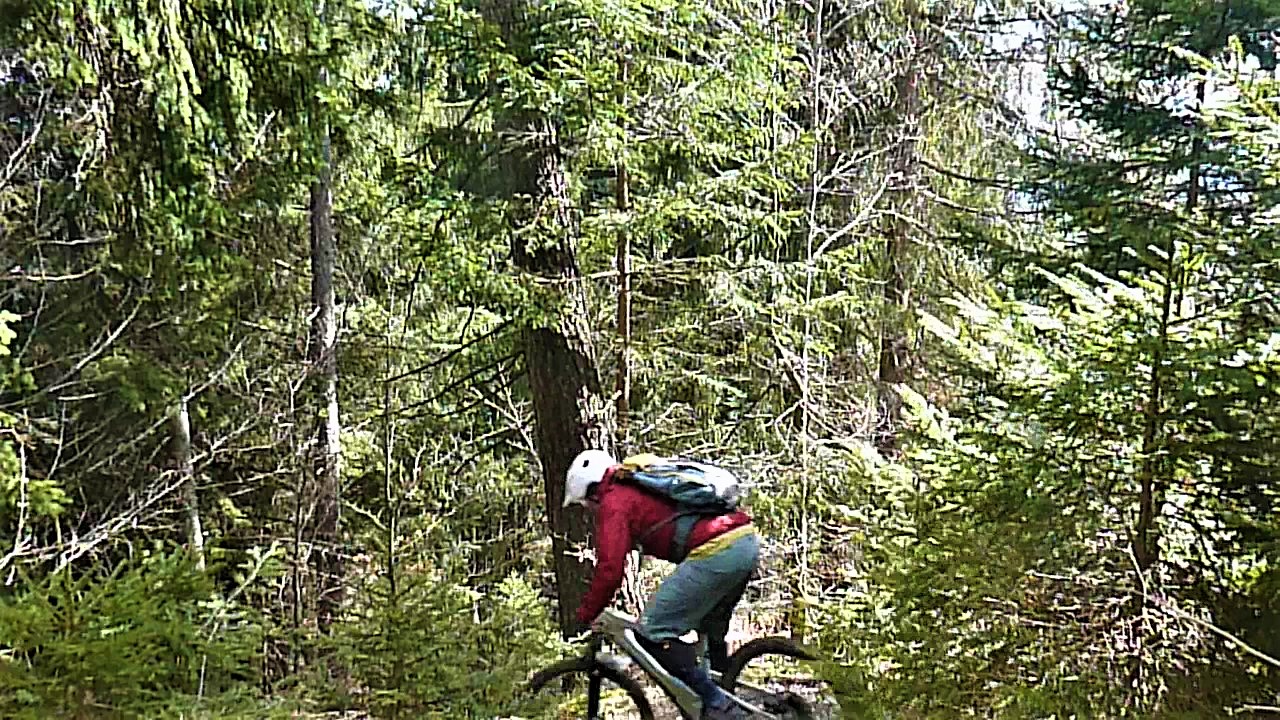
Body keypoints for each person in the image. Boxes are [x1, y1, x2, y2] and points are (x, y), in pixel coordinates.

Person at [563, 449, 759, 720]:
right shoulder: (636, 486)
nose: (589, 509)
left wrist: (587, 613)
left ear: (593, 490)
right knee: (709, 634)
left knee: (653, 630)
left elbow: (610, 570)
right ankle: (729, 693)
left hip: (718, 550)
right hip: (743, 541)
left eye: (586, 503)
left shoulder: (614, 502)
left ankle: (720, 705)